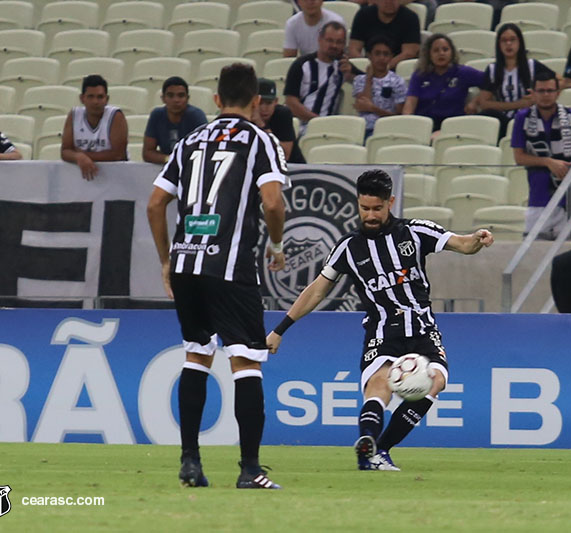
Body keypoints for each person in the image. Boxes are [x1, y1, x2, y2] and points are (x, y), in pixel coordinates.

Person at [266, 169, 493, 471]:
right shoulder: (348, 247)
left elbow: (463, 244)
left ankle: (379, 450)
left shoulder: (415, 232)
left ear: (391, 202)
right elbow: (317, 290)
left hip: (422, 327)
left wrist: (478, 238)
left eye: (377, 208)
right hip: (382, 330)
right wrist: (281, 329)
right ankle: (367, 445)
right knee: (378, 385)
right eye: (364, 208)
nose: (370, 215)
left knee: (435, 380)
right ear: (358, 204)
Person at [146, 63, 288, 490]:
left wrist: (166, 260)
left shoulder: (189, 141)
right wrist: (276, 246)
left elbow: (155, 204)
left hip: (187, 262)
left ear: (216, 100)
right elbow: (274, 203)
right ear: (258, 102)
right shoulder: (260, 140)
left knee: (196, 354)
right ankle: (250, 469)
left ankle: (190, 462)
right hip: (230, 264)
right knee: (246, 361)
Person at [511, 70, 571, 239]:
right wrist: (548, 162)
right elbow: (519, 157)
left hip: (569, 198)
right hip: (538, 197)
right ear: (533, 92)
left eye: (550, 90)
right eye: (541, 91)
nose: (546, 95)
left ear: (557, 92)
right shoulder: (522, 117)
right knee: (534, 251)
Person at [474, 23, 553, 141]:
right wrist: (518, 104)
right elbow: (484, 103)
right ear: (498, 45)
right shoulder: (492, 70)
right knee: (488, 117)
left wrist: (538, 96)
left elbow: (559, 81)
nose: (508, 44)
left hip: (529, 118)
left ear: (520, 42)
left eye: (512, 40)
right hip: (503, 120)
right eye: (504, 41)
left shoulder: (532, 66)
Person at [402, 33, 485, 132]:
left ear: (452, 52)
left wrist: (474, 102)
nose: (441, 53)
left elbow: (491, 83)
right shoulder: (420, 75)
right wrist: (407, 123)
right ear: (429, 54)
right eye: (436, 50)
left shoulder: (463, 72)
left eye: (445, 49)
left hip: (453, 125)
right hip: (424, 125)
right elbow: (410, 103)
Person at [284, 21, 348, 133]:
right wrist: (317, 121)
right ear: (320, 39)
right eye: (329, 40)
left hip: (328, 129)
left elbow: (367, 79)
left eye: (339, 42)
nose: (334, 45)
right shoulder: (301, 65)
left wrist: (351, 74)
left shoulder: (344, 67)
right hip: (300, 126)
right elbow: (291, 102)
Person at [61, 74, 128, 180]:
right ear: (82, 98)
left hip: (115, 178)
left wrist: (83, 156)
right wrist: (78, 157)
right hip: (82, 179)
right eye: (90, 96)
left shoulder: (115, 116)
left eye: (100, 97)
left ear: (107, 99)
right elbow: (65, 151)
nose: (95, 102)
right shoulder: (74, 115)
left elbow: (118, 155)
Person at [142, 76, 208, 164]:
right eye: (170, 95)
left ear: (187, 98)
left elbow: (205, 150)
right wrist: (169, 159)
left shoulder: (196, 116)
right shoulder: (157, 115)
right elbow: (147, 152)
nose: (176, 100)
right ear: (163, 98)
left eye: (181, 95)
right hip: (166, 167)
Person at [352, 35, 407, 137]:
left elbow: (398, 116)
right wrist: (368, 79)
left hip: (388, 129)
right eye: (377, 53)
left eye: (386, 54)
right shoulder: (359, 80)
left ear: (391, 57)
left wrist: (373, 108)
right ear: (369, 55)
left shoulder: (398, 82)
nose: (381, 58)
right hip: (363, 129)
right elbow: (363, 107)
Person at [348, 0, 421, 70]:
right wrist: (365, 66)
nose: (389, 1)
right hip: (367, 68)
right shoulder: (363, 15)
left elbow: (409, 53)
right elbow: (353, 49)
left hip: (397, 70)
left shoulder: (411, 18)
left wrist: (383, 68)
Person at [254, 78, 306, 163]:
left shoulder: (282, 115)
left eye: (268, 103)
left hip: (292, 168)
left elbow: (285, 155)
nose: (264, 108)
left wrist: (261, 125)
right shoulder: (246, 116)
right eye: (260, 103)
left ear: (276, 102)